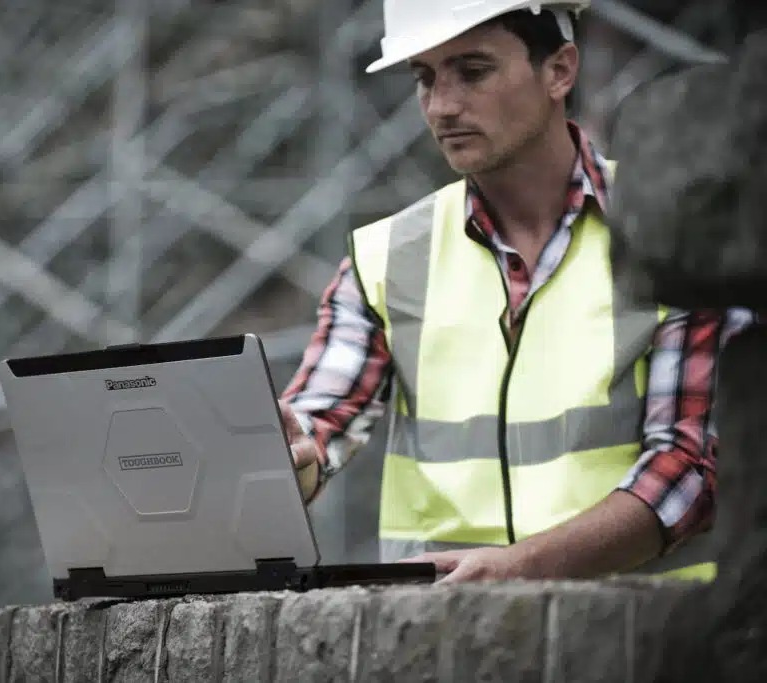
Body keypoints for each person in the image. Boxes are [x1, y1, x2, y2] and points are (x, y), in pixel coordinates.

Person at [279, 0, 754, 583]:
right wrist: (290, 454)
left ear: (559, 70)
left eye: (473, 71)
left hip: (644, 645)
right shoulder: (386, 257)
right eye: (425, 78)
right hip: (437, 645)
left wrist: (519, 567)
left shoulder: (674, 231)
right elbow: (318, 424)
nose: (442, 106)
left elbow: (690, 469)